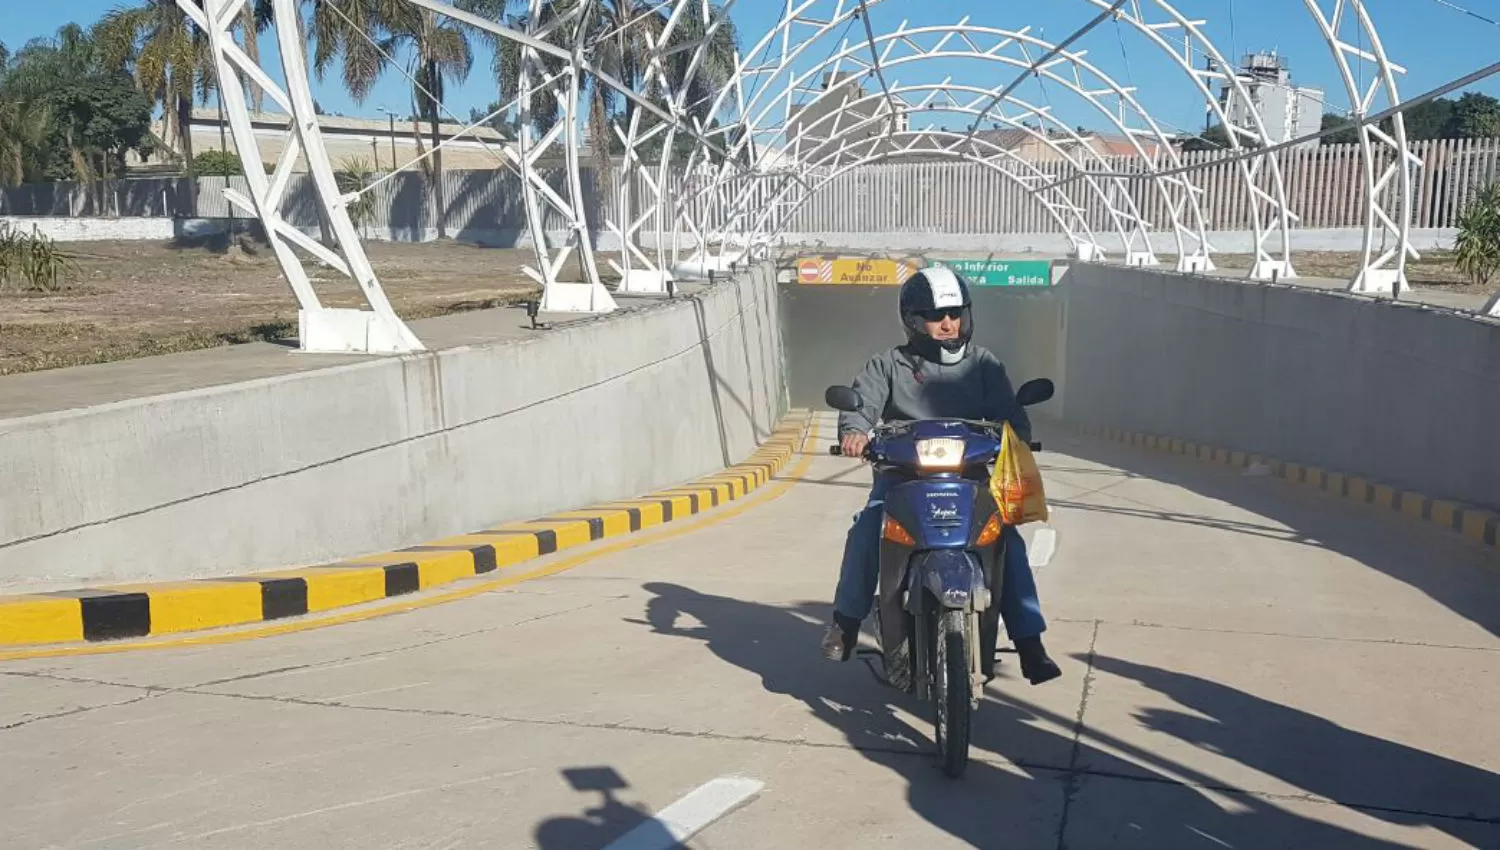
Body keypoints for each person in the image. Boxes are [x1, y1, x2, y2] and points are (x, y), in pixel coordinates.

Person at [820, 265, 1062, 686]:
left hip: (970, 480)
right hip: (900, 479)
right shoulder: (889, 364)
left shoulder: (983, 364)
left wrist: (1017, 436)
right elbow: (861, 405)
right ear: (914, 321)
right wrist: (855, 432)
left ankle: (1029, 642)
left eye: (955, 314)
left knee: (1008, 541)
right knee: (867, 529)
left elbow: (1008, 412)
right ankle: (845, 622)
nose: (948, 324)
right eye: (936, 316)